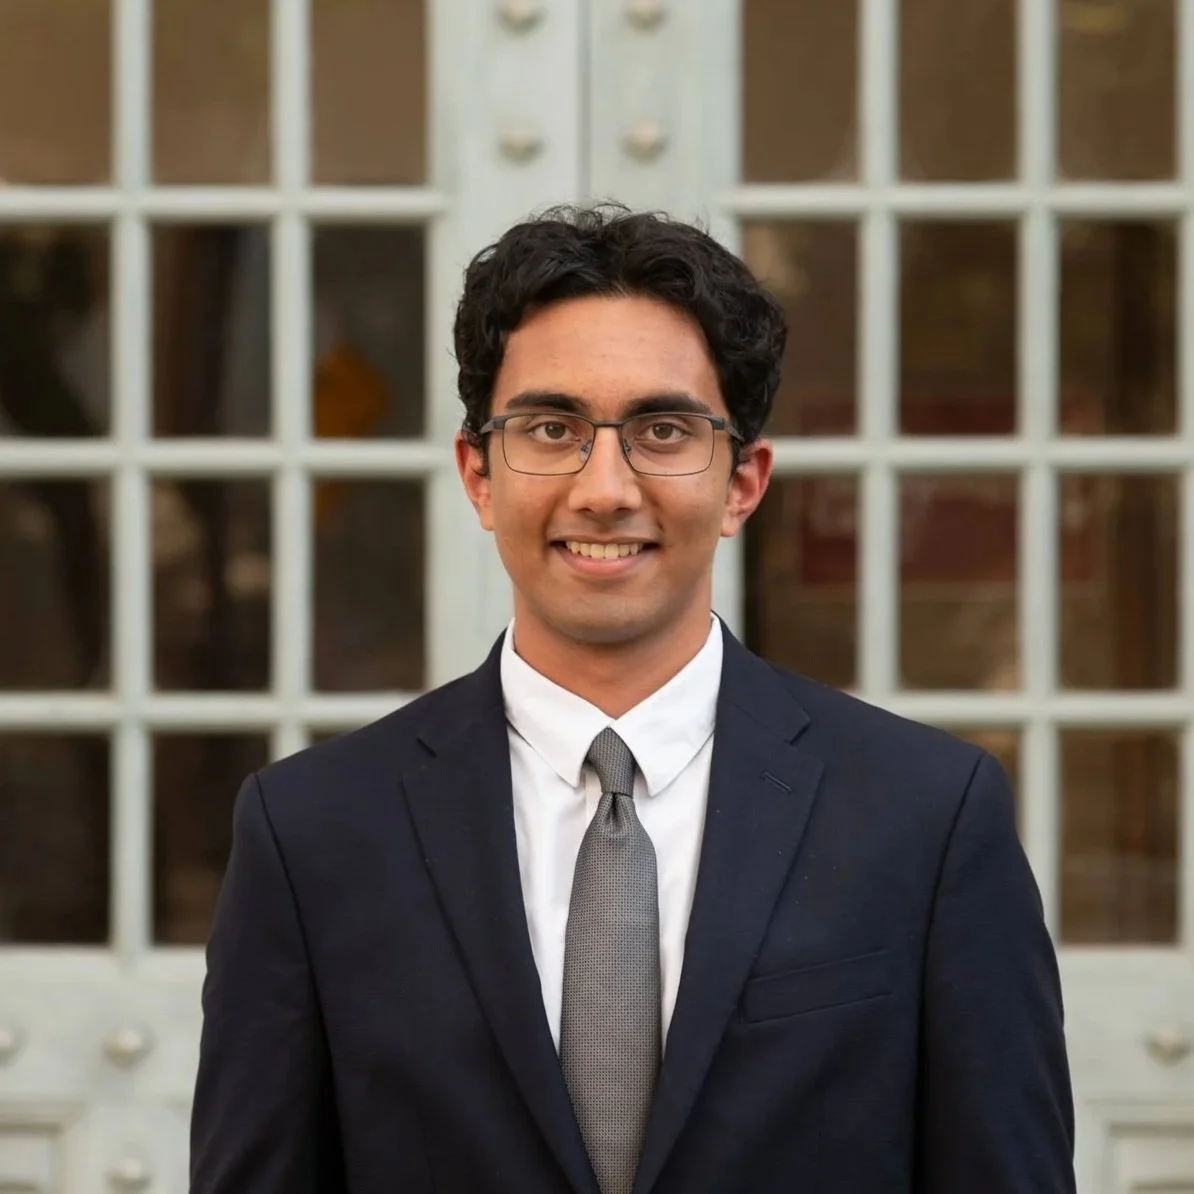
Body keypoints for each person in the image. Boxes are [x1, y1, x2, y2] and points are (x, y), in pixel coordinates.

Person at [190, 204, 1075, 1194]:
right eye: (551, 428)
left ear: (743, 481)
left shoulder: (928, 818)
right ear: (478, 474)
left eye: (662, 430)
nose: (605, 489)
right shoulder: (310, 835)